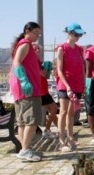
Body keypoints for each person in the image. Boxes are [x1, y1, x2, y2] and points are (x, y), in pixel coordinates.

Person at [10, 22, 43, 161]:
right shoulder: (25, 44)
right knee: (32, 121)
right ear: (27, 31)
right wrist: (24, 80)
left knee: (23, 122)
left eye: (39, 33)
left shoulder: (27, 45)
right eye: (36, 32)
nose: (38, 35)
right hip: (27, 89)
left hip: (22, 90)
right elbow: (17, 62)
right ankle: (24, 150)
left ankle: (25, 149)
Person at [56, 23, 86, 151]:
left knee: (72, 113)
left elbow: (82, 69)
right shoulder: (61, 48)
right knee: (63, 112)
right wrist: (67, 86)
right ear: (69, 33)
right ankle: (61, 140)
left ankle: (70, 138)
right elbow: (59, 69)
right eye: (76, 34)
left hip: (77, 84)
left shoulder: (80, 49)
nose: (78, 36)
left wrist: (84, 85)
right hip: (64, 84)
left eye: (80, 34)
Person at [32, 43, 58, 138]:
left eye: (38, 49)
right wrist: (42, 72)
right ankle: (47, 130)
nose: (37, 50)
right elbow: (37, 74)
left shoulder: (39, 61)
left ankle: (61, 130)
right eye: (35, 49)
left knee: (53, 112)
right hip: (40, 91)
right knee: (54, 109)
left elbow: (43, 75)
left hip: (43, 90)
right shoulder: (32, 61)